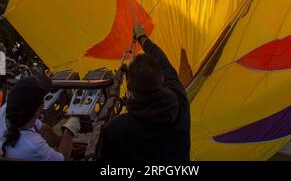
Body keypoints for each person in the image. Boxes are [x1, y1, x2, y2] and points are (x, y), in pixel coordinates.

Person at [97, 25, 190, 163]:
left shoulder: (116, 129)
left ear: (128, 87)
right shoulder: (180, 99)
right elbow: (163, 62)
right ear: (162, 79)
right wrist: (142, 38)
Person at [0, 75, 80, 161]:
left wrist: (60, 143)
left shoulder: (7, 109)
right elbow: (62, 159)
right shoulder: (34, 146)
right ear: (39, 109)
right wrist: (69, 132)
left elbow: (43, 129)